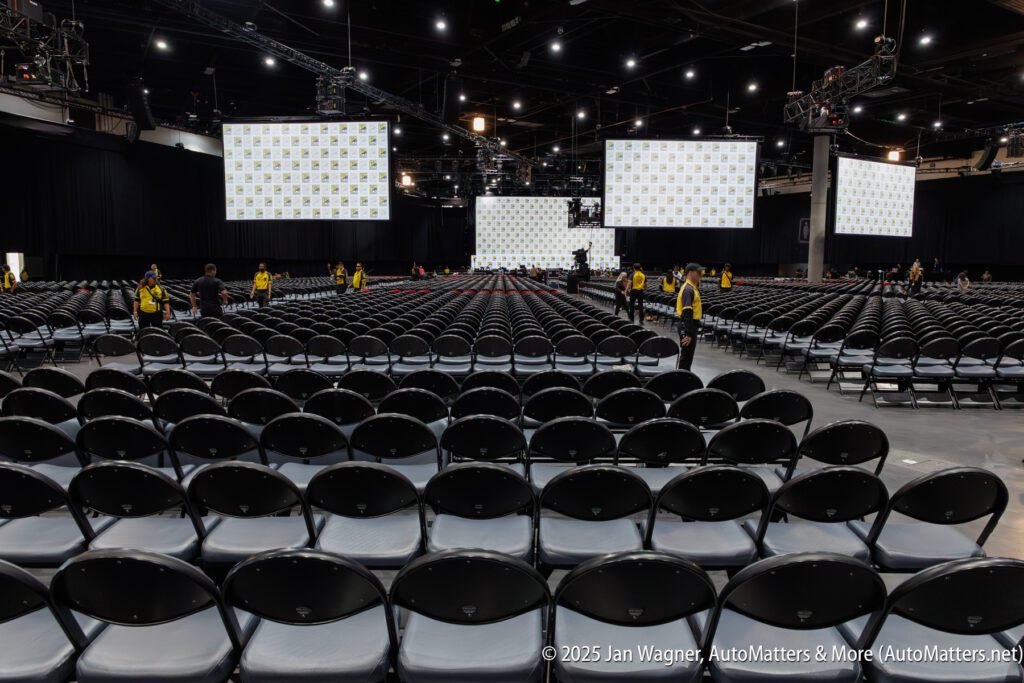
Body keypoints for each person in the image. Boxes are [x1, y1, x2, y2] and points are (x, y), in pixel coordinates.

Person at [676, 263, 703, 371]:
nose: (701, 275)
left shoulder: (692, 287)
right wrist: (689, 333)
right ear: (691, 273)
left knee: (687, 358)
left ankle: (684, 379)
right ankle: (682, 381)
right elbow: (687, 312)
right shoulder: (688, 289)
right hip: (687, 326)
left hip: (690, 326)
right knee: (686, 358)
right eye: (699, 273)